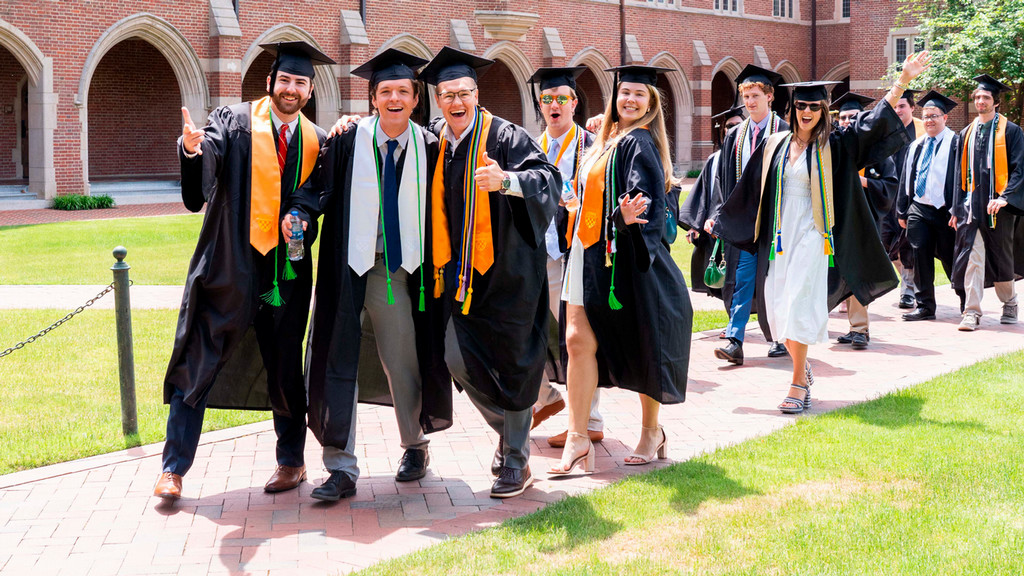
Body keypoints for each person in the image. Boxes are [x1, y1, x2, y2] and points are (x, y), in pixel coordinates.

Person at [154, 42, 333, 500]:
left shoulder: (316, 140)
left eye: (300, 83)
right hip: (229, 266)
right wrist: (192, 152)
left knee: (285, 367)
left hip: (285, 275)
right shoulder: (233, 122)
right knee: (199, 357)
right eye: (284, 80)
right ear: (269, 82)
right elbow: (208, 157)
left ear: (309, 91)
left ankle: (291, 462)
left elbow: (313, 195)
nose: (291, 89)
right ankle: (173, 469)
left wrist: (302, 216)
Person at [712, 51, 930, 414]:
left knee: (798, 305)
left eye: (815, 106)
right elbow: (750, 190)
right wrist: (722, 222)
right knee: (779, 310)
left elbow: (874, 123)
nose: (807, 112)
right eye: (801, 107)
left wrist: (902, 81)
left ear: (824, 110)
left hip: (816, 238)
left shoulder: (837, 145)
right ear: (792, 109)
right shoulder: (775, 145)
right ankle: (805, 368)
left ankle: (797, 382)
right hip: (780, 239)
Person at [283, 49, 451, 501]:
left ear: (416, 98)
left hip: (397, 270)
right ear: (372, 98)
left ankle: (415, 446)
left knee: (402, 362)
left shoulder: (432, 147)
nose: (394, 98)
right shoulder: (345, 141)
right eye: (385, 92)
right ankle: (340, 466)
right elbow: (313, 191)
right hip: (346, 265)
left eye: (402, 91)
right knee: (336, 358)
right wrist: (298, 212)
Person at [419, 47, 560, 498]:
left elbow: (550, 179)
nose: (455, 102)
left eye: (463, 93)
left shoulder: (506, 137)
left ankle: (515, 461)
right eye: (447, 95)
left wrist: (507, 182)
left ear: (477, 94)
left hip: (511, 276)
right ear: (438, 101)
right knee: (455, 359)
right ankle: (511, 432)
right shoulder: (436, 141)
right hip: (457, 279)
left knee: (516, 366)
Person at [550, 65, 691, 476]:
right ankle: (578, 440)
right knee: (577, 341)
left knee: (645, 338)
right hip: (586, 249)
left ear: (651, 104)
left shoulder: (641, 142)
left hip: (620, 254)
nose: (629, 100)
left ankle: (652, 431)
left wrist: (626, 215)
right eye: (624, 92)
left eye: (639, 95)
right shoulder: (607, 140)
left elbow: (642, 196)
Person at [524, 66, 605, 449]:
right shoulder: (531, 147)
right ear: (540, 105)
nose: (554, 105)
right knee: (522, 328)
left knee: (579, 337)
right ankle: (545, 397)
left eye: (562, 99)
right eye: (547, 99)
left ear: (575, 103)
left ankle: (590, 420)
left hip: (576, 254)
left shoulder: (593, 144)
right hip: (536, 255)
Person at [705, 65, 790, 365]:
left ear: (770, 96)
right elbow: (724, 180)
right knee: (741, 280)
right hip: (744, 222)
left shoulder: (784, 133)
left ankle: (779, 337)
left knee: (775, 280)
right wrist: (719, 214)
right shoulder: (736, 136)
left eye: (755, 95)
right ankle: (735, 340)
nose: (750, 102)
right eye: (746, 96)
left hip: (775, 221)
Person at [951, 75, 1024, 331]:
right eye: (978, 97)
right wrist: (956, 208)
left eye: (986, 97)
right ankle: (972, 312)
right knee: (973, 256)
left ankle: (1010, 301)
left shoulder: (1012, 131)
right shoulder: (965, 134)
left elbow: (1019, 169)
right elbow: (958, 176)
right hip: (972, 207)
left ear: (996, 102)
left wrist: (1005, 198)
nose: (981, 101)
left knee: (1002, 258)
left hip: (999, 208)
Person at [832, 92, 898, 350]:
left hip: (865, 221)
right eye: (843, 117)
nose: (847, 121)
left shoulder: (877, 151)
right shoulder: (835, 146)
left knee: (858, 271)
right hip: (835, 220)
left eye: (853, 116)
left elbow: (890, 186)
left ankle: (859, 329)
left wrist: (865, 182)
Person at [896, 90, 960, 322]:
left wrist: (959, 209)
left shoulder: (956, 143)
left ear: (945, 118)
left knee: (951, 257)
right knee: (919, 254)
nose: (929, 120)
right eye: (926, 115)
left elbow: (963, 180)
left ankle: (966, 301)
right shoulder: (917, 145)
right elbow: (907, 178)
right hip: (919, 209)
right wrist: (902, 209)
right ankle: (925, 306)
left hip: (947, 211)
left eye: (934, 115)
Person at [680, 105, 745, 301]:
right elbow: (704, 193)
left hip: (743, 226)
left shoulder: (752, 154)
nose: (733, 129)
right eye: (729, 126)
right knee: (720, 274)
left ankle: (736, 321)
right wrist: (695, 225)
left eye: (737, 125)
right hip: (714, 226)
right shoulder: (714, 159)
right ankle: (732, 320)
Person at [882, 89, 926, 310]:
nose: (898, 110)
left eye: (902, 106)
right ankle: (907, 284)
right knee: (888, 243)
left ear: (912, 107)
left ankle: (907, 292)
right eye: (895, 106)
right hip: (887, 197)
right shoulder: (885, 130)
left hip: (912, 198)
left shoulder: (921, 131)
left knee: (908, 244)